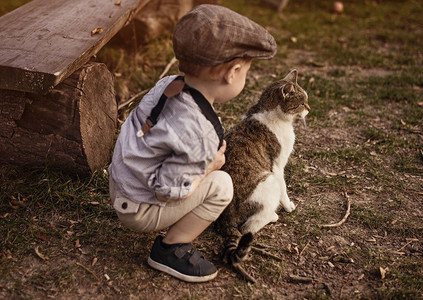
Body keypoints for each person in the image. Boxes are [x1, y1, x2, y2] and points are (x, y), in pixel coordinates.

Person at [109, 4, 276, 283]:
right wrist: (209, 168)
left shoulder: (168, 84)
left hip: (123, 180)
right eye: (246, 71)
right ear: (232, 73)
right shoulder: (199, 134)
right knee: (223, 186)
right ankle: (171, 248)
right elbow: (167, 191)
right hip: (138, 206)